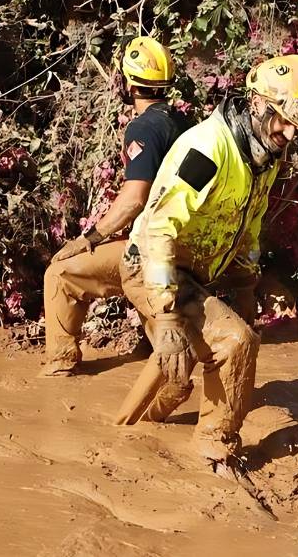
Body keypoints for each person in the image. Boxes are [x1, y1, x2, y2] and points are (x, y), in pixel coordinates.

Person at [115, 54, 298, 467]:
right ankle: (213, 448)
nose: (290, 134)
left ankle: (126, 434)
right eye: (282, 120)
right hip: (153, 267)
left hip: (193, 275)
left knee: (175, 374)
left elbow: (250, 223)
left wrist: (247, 284)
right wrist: (165, 317)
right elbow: (159, 231)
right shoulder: (208, 150)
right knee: (235, 342)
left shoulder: (263, 154)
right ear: (256, 103)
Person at [41, 36, 191, 376]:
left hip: (156, 246)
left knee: (61, 274)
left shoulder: (144, 128)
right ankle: (147, 344)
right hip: (186, 240)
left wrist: (89, 238)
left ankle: (59, 365)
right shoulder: (183, 122)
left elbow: (134, 198)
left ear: (130, 83)